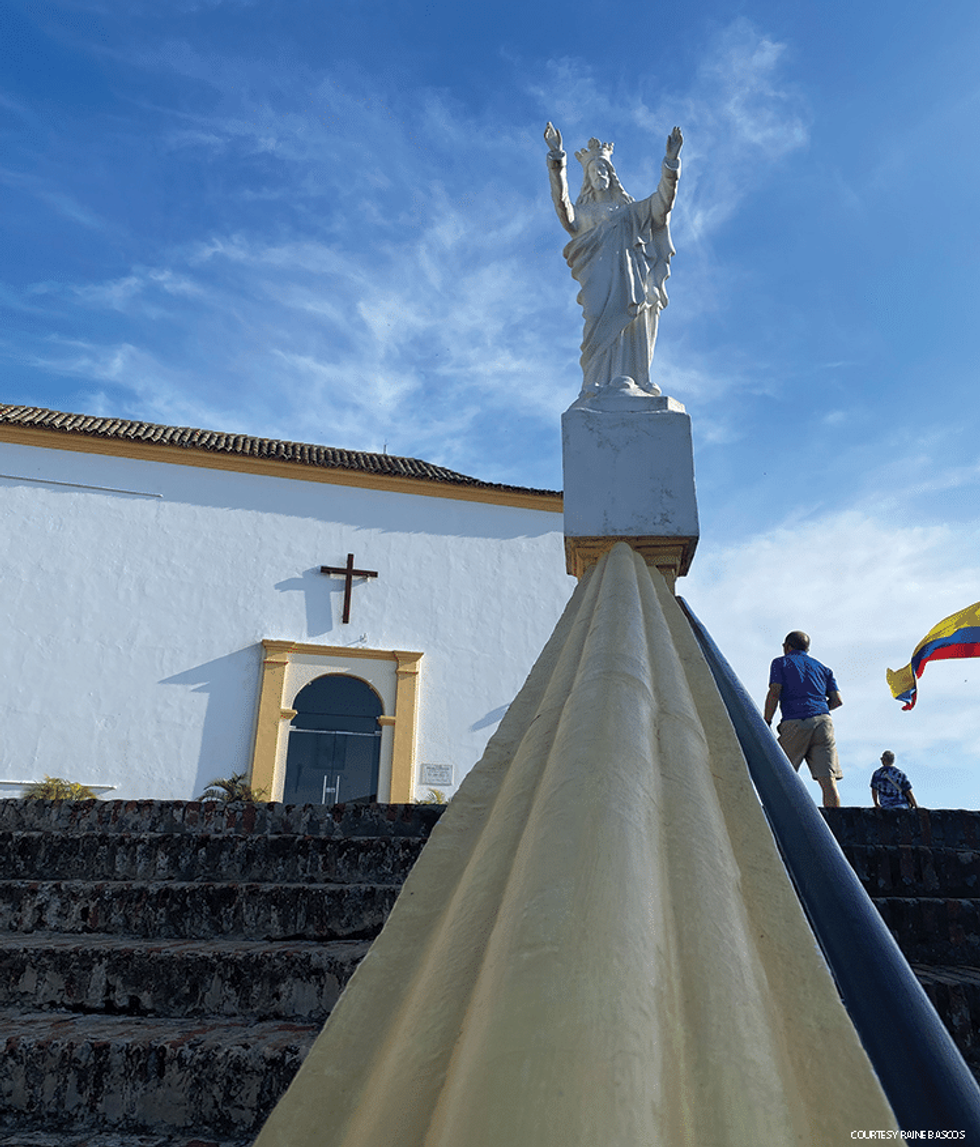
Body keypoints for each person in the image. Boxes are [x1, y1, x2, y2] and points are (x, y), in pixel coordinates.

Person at [544, 122, 682, 397]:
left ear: (611, 173)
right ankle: (594, 383)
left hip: (630, 275)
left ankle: (634, 378)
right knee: (597, 321)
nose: (599, 173)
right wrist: (557, 162)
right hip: (598, 280)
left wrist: (671, 163)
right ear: (588, 177)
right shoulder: (583, 214)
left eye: (603, 168)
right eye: (594, 170)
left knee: (631, 320)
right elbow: (563, 207)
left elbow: (663, 205)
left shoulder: (631, 211)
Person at [763, 631, 844, 808]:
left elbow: (775, 692)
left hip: (795, 721)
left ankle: (779, 820)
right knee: (828, 781)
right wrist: (817, 710)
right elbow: (837, 700)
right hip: (823, 722)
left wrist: (766, 721)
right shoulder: (824, 669)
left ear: (787, 646)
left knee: (781, 775)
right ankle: (835, 826)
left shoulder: (780, 663)